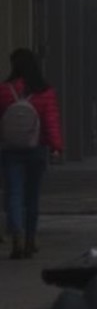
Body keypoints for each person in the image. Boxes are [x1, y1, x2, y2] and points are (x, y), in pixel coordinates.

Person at [0, 49, 62, 259]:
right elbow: (51, 121)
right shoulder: (45, 91)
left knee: (14, 193)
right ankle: (30, 238)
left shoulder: (5, 90)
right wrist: (55, 146)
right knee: (32, 196)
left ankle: (16, 233)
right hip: (37, 148)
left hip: (10, 150)